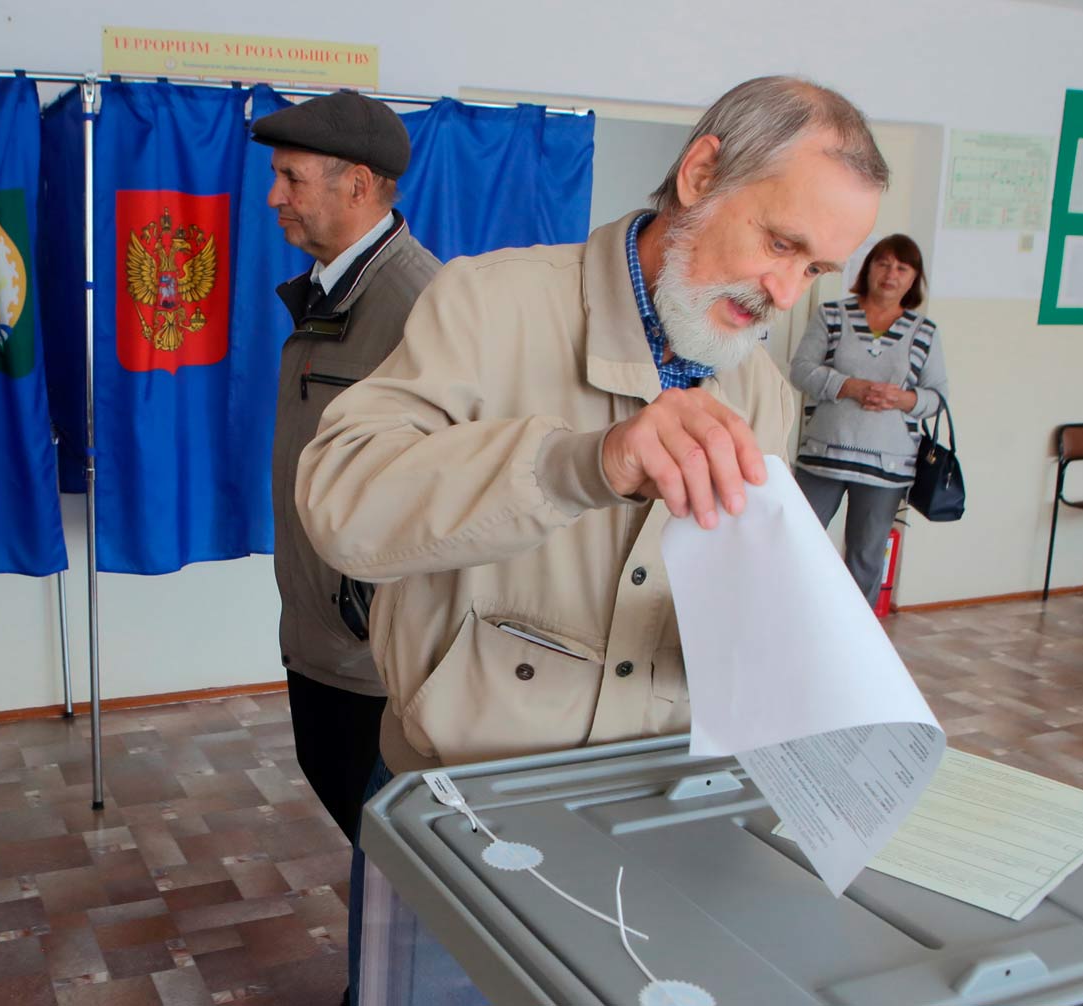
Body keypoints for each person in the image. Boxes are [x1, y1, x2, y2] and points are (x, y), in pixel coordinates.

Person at [295, 76, 887, 1005]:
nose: (783, 292)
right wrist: (587, 463)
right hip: (464, 812)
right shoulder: (484, 303)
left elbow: (730, 610)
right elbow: (342, 503)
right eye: (781, 242)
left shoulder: (763, 391)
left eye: (814, 270)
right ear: (699, 173)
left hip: (663, 828)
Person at [251, 92, 441, 845]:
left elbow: (448, 486)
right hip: (323, 633)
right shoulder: (337, 290)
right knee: (357, 819)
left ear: (357, 185)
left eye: (291, 179)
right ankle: (376, 965)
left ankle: (384, 969)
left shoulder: (419, 303)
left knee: (395, 853)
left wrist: (363, 605)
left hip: (373, 654)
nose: (274, 198)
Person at [789, 234, 948, 601]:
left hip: (888, 465)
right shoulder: (832, 315)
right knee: (796, 543)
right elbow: (800, 370)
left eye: (902, 268)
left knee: (865, 557)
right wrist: (849, 386)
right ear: (868, 268)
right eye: (883, 263)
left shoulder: (925, 332)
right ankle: (791, 621)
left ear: (913, 278)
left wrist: (903, 398)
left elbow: (937, 398)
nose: (891, 274)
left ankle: (855, 645)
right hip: (823, 455)